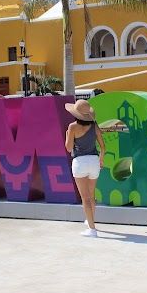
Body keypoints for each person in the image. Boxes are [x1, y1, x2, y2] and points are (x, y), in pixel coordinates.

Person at [64, 99, 106, 237]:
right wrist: (101, 159)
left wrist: (67, 136)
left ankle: (92, 230)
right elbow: (103, 147)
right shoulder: (94, 125)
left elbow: (69, 148)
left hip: (80, 162)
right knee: (92, 196)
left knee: (85, 198)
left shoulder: (72, 127)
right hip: (94, 161)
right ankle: (90, 222)